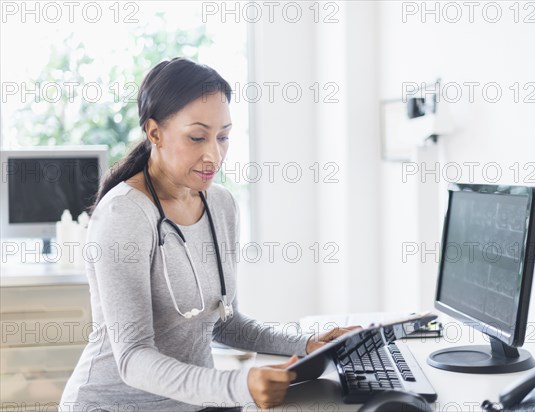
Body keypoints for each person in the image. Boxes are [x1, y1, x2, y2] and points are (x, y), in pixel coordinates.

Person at [60, 58, 358, 412]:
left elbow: (224, 323)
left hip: (196, 403)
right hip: (113, 404)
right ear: (154, 133)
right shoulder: (124, 214)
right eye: (197, 137)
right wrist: (238, 385)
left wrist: (308, 344)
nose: (214, 155)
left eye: (224, 137)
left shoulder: (222, 205)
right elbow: (132, 357)